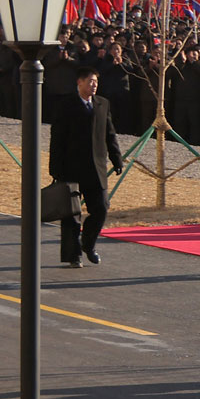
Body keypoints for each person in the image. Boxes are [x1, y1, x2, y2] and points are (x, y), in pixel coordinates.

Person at [49, 66, 124, 268]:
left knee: (101, 208)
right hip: (71, 168)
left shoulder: (102, 104)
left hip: (95, 168)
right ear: (79, 82)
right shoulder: (66, 105)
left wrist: (116, 158)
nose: (94, 85)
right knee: (71, 215)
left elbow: (110, 134)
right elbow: (57, 138)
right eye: (90, 81)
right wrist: (55, 168)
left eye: (96, 82)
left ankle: (88, 244)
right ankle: (73, 255)